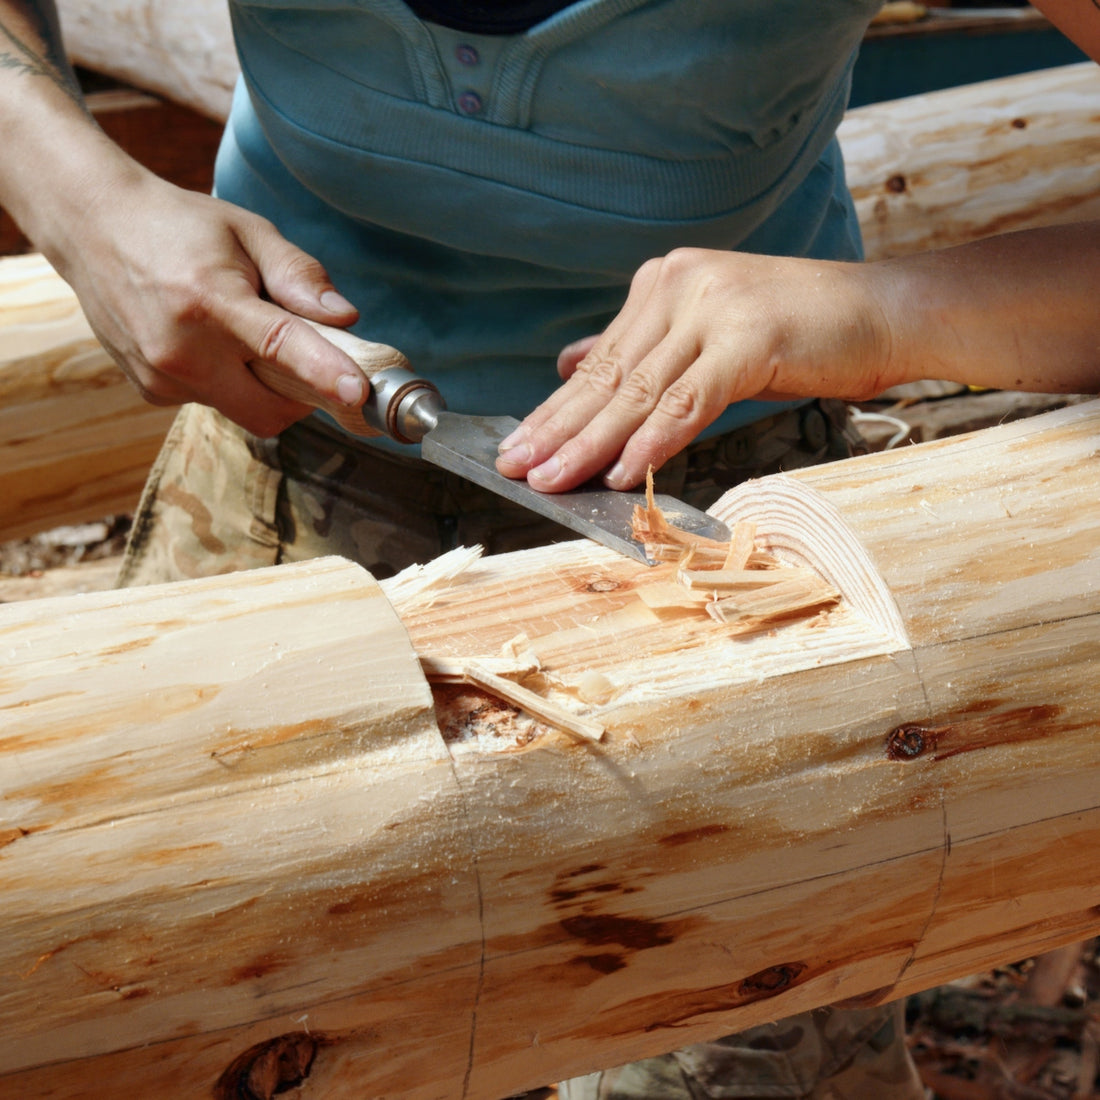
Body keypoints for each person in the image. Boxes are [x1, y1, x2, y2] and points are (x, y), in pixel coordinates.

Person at [1, 3, 1097, 1099]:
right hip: (282, 449)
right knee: (162, 995)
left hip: (717, 540)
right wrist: (76, 195)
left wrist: (891, 314)